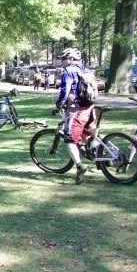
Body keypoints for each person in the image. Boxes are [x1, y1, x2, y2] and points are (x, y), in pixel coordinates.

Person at [55, 47, 94, 184]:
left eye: (64, 59)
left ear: (71, 59)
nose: (62, 61)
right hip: (89, 106)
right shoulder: (84, 69)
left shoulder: (69, 71)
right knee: (86, 134)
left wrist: (58, 104)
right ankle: (98, 155)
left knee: (70, 139)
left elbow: (65, 92)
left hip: (76, 109)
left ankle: (79, 166)